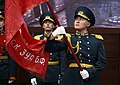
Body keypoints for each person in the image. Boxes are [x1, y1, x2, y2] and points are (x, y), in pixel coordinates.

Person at [45, 6, 106, 85]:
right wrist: (53, 35)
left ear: (88, 24)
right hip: (71, 77)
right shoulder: (69, 39)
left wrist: (90, 72)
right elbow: (50, 48)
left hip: (89, 78)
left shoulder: (97, 40)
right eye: (76, 19)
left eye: (81, 19)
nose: (77, 21)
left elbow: (101, 62)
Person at [30, 12, 67, 85]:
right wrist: (32, 76)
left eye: (50, 23)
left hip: (54, 72)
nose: (47, 24)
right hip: (40, 72)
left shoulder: (59, 39)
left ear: (53, 26)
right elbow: (33, 58)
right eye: (45, 22)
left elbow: (62, 58)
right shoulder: (37, 39)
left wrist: (62, 75)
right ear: (42, 25)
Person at [0, 11, 16, 85]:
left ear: (4, 22)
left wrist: (12, 75)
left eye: (1, 21)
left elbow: (12, 56)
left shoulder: (8, 36)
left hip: (4, 69)